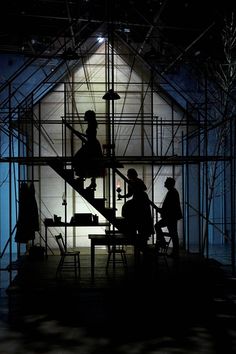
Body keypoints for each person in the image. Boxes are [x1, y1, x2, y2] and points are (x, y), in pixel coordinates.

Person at [118, 168, 154, 248]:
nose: (127, 175)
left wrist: (135, 187)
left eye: (128, 174)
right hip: (141, 199)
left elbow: (142, 189)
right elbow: (130, 194)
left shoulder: (135, 182)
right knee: (141, 217)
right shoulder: (134, 182)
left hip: (141, 200)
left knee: (142, 217)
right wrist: (123, 196)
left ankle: (139, 232)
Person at [72, 110, 104, 190]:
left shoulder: (91, 125)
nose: (84, 117)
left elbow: (90, 136)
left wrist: (79, 134)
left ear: (88, 117)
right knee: (92, 163)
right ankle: (92, 182)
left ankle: (82, 176)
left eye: (85, 115)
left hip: (91, 145)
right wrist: (80, 134)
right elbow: (90, 136)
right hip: (93, 145)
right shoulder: (92, 124)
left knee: (79, 159)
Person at [155, 177, 182, 258]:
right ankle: (175, 252)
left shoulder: (171, 192)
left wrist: (162, 211)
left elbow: (169, 206)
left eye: (166, 182)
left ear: (169, 184)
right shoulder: (173, 192)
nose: (164, 183)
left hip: (170, 217)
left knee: (158, 226)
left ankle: (163, 243)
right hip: (171, 217)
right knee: (174, 234)